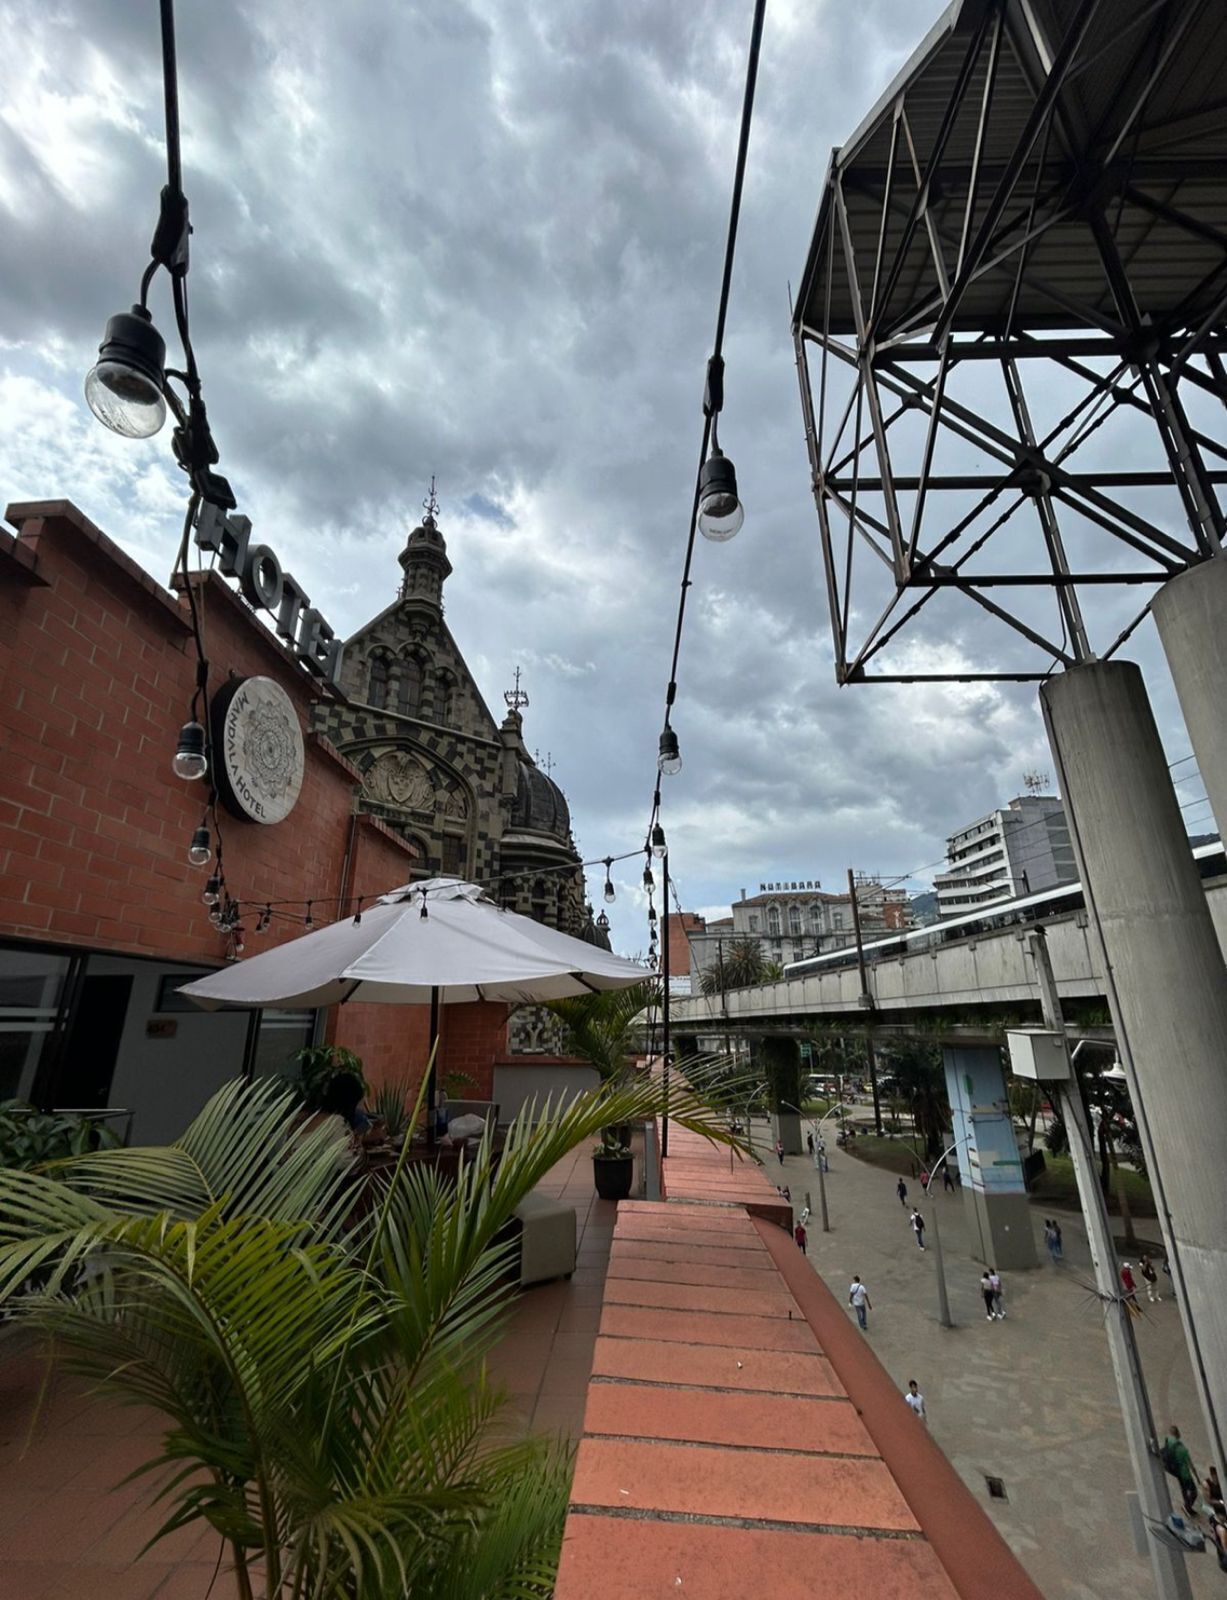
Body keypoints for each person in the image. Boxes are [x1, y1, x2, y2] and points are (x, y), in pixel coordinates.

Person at [1162, 1426, 1200, 1516]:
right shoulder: (1181, 1449)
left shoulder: (1168, 1441)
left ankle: (1186, 1505)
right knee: (1194, 1492)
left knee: (1183, 1488)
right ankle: (1188, 1506)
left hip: (1176, 1470)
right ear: (1178, 1433)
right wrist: (1197, 1478)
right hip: (1184, 1473)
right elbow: (1191, 1465)